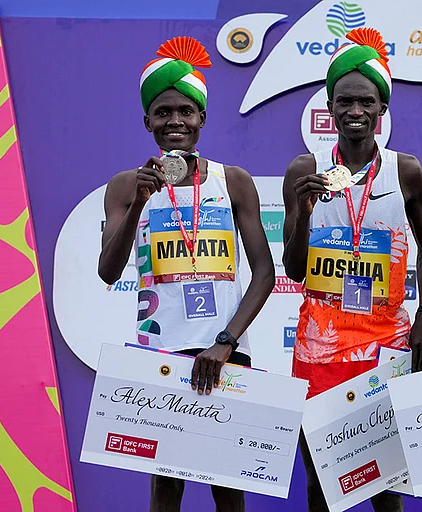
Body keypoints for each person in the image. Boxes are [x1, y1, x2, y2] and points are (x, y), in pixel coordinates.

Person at [98, 36, 274, 512]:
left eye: (186, 110)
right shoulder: (123, 186)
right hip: (159, 350)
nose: (175, 120)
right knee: (166, 486)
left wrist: (225, 342)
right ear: (147, 122)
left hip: (225, 349)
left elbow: (265, 274)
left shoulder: (232, 179)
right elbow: (108, 270)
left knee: (227, 484)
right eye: (163, 111)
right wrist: (139, 201)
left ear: (202, 119)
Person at [282, 27, 422, 512]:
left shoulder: (405, 170)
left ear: (381, 109)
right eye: (344, 102)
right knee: (321, 476)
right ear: (329, 107)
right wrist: (305, 211)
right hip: (319, 340)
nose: (354, 112)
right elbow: (294, 268)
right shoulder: (302, 169)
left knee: (386, 478)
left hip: (386, 336)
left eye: (365, 102)